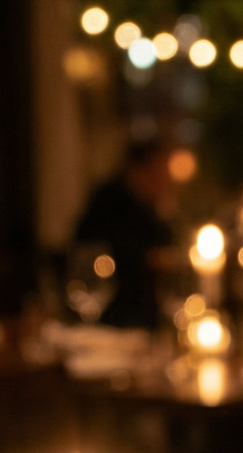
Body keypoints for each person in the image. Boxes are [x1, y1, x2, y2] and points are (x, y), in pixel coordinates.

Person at [74, 139, 175, 328]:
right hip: (116, 316)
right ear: (139, 170)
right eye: (160, 173)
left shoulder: (149, 206)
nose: (166, 181)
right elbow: (107, 255)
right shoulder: (110, 202)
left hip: (142, 318)